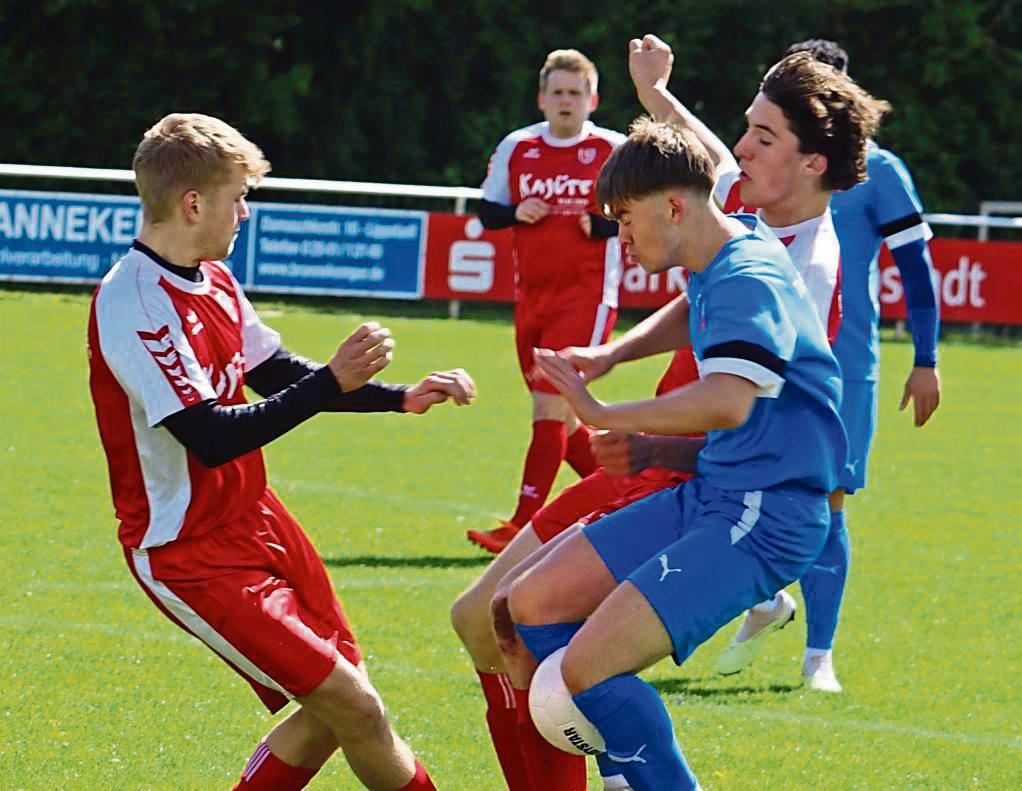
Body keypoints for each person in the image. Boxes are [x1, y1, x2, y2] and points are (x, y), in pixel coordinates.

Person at [492, 38, 891, 790]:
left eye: (628, 220)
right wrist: (613, 362)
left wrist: (609, 408)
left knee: (582, 670)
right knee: (528, 604)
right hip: (713, 487)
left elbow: (731, 398)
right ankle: (625, 772)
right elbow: (694, 298)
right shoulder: (736, 230)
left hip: (762, 513)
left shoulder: (769, 266)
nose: (624, 237)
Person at [87, 113, 476, 791]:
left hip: (258, 519)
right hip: (188, 549)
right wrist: (333, 381)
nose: (244, 212)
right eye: (238, 197)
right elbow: (209, 436)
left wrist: (398, 396)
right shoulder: (133, 300)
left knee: (340, 705)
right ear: (192, 203)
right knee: (354, 704)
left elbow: (273, 374)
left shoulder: (211, 279)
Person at [712, 39, 942, 693]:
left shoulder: (882, 172)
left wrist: (925, 358)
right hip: (752, 360)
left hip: (841, 368)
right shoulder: (756, 172)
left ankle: (819, 655)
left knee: (828, 501)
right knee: (728, 485)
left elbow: (916, 271)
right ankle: (762, 598)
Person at [450, 347, 700, 791]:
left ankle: (618, 772)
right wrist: (608, 355)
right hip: (651, 457)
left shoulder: (778, 282)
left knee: (533, 627)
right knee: (478, 618)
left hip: (687, 476)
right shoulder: (710, 283)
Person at [467, 48, 626, 555]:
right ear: (541, 98)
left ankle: (521, 525)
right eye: (557, 92)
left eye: (575, 93)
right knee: (566, 419)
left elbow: (641, 214)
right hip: (532, 298)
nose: (565, 101)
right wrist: (517, 210)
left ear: (592, 99)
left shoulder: (613, 149)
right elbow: (487, 211)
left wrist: (603, 223)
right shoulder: (519, 145)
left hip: (587, 296)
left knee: (548, 403)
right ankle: (631, 496)